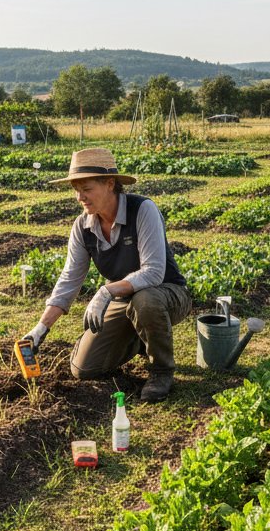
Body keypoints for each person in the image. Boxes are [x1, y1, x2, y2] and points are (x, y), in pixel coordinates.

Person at [21, 147, 193, 402]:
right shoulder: (83, 226)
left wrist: (106, 291)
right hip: (125, 301)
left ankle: (161, 372)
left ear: (110, 184)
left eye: (87, 189)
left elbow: (154, 272)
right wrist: (40, 328)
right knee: (83, 368)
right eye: (76, 190)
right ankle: (140, 338)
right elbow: (70, 278)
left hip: (167, 295)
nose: (80, 197)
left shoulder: (142, 210)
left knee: (145, 301)